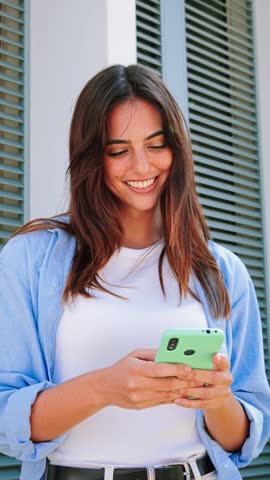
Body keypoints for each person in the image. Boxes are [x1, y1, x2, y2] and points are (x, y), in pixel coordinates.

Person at [0, 64, 269, 480]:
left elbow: (243, 442)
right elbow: (6, 420)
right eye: (118, 150)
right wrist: (106, 388)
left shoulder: (223, 272)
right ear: (92, 157)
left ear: (177, 149)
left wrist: (216, 398)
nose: (142, 166)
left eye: (156, 145)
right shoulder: (29, 260)